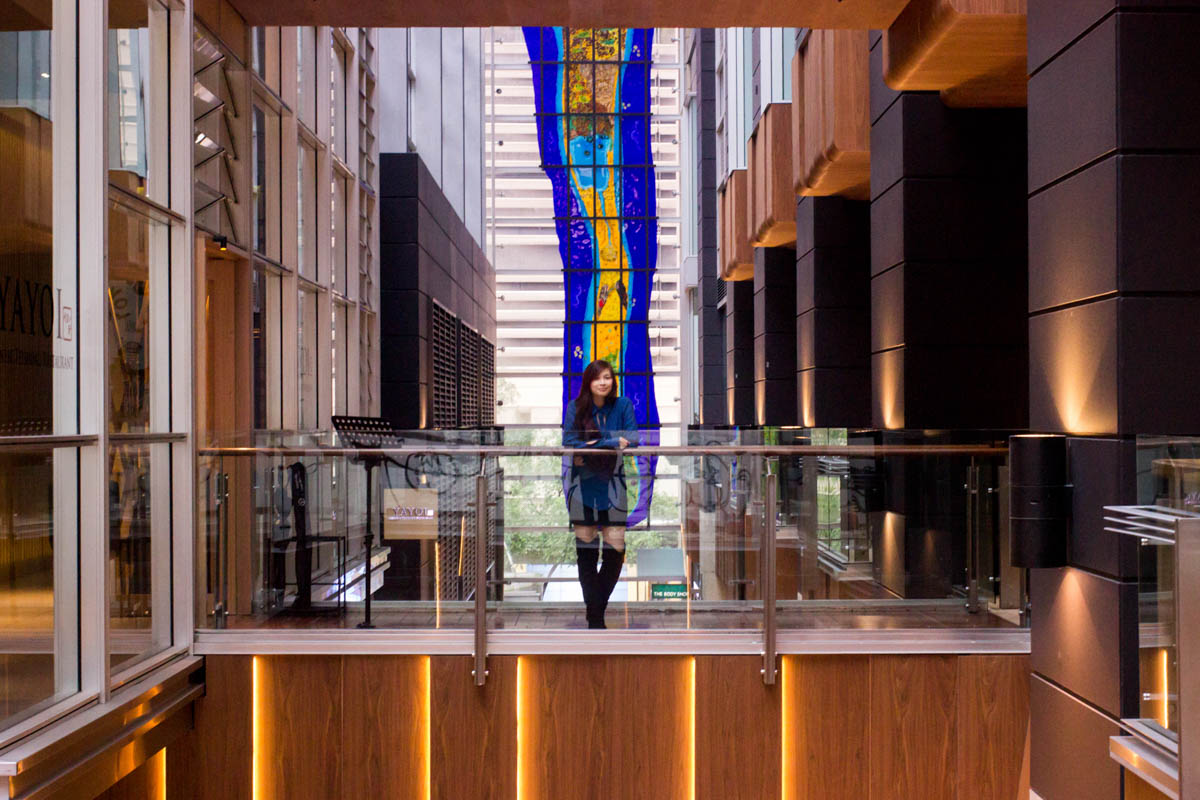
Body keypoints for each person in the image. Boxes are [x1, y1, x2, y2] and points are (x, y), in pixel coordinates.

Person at [562, 360, 636, 628]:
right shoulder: (575, 407)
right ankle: (596, 618)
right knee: (587, 553)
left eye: (607, 377)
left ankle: (594, 612)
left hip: (614, 486)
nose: (603, 382)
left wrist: (594, 443)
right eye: (597, 378)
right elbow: (569, 443)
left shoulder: (623, 405)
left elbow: (633, 437)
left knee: (616, 550)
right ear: (588, 382)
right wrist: (611, 442)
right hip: (582, 487)